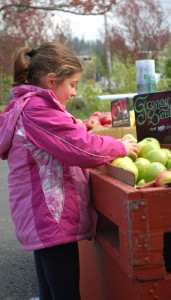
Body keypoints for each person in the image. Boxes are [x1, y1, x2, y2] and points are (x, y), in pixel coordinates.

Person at [0, 42, 139, 300]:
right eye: (72, 84)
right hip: (50, 216)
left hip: (40, 216)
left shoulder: (28, 106)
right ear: (51, 81)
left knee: (50, 291)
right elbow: (79, 147)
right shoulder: (38, 110)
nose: (75, 92)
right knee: (65, 293)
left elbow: (62, 140)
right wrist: (120, 146)